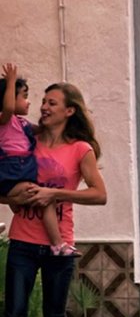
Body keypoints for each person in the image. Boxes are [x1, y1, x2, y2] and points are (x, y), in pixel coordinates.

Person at [2, 83, 106, 317]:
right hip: (22, 240)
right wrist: (12, 198)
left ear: (69, 111)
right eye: (43, 102)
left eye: (52, 103)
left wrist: (55, 193)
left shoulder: (80, 149)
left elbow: (99, 194)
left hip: (58, 246)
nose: (44, 107)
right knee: (14, 316)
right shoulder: (26, 138)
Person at [1, 64, 74, 256]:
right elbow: (8, 108)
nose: (29, 103)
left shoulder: (21, 123)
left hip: (21, 172)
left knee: (31, 200)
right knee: (46, 199)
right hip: (12, 172)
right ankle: (58, 244)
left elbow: (43, 129)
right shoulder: (4, 120)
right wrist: (11, 81)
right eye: (24, 97)